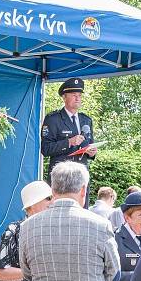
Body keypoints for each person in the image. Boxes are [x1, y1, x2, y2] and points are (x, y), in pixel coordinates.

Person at [40, 78, 97, 208]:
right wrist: (69, 142)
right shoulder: (53, 119)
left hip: (81, 175)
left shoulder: (86, 120)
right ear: (64, 97)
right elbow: (46, 148)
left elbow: (90, 144)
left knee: (82, 212)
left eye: (79, 95)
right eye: (74, 95)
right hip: (62, 177)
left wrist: (92, 152)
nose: (78, 98)